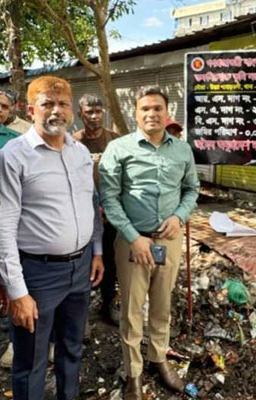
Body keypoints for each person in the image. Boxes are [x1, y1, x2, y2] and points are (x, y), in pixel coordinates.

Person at [0, 75, 104, 400]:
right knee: (31, 360)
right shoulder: (13, 155)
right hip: (38, 275)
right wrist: (17, 290)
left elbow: (90, 204)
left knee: (72, 348)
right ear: (30, 110)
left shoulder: (80, 152)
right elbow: (4, 225)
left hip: (81, 268)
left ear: (72, 110)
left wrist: (96, 250)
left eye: (62, 104)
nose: (56, 111)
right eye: (47, 104)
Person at [99, 86, 199, 400]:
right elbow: (109, 198)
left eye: (157, 108)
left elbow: (191, 190)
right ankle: (134, 373)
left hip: (168, 240)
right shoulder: (119, 148)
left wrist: (179, 216)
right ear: (136, 113)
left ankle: (159, 359)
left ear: (166, 113)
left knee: (162, 305)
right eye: (145, 109)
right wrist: (133, 237)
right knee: (130, 311)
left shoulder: (182, 150)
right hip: (132, 243)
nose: (151, 114)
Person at [72, 94, 122, 325]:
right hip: (80, 214)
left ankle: (108, 303)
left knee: (110, 260)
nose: (94, 116)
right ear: (80, 114)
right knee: (84, 261)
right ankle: (81, 312)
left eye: (98, 111)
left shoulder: (115, 141)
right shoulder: (72, 143)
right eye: (89, 112)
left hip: (111, 212)